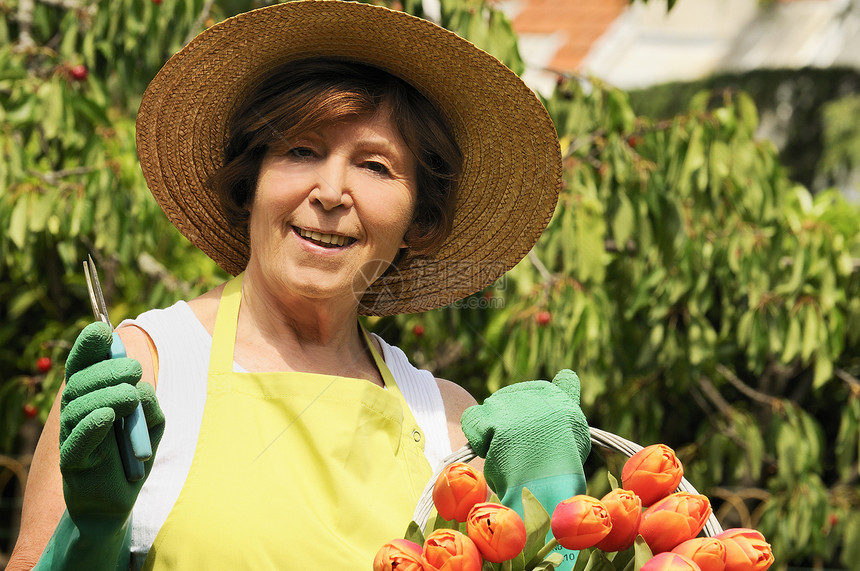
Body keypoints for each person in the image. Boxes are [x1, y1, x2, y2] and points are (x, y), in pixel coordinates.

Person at [8, 1, 590, 569]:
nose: (332, 190)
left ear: (418, 220)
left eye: (375, 166)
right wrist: (88, 536)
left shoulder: (448, 420)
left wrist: (547, 508)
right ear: (252, 182)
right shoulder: (146, 371)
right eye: (301, 150)